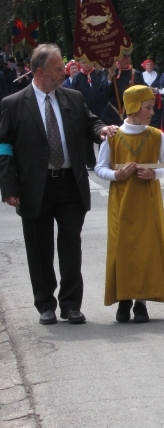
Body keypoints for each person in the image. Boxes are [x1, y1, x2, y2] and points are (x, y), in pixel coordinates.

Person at [0, 43, 117, 325]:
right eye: (57, 69)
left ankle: (71, 304)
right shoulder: (14, 104)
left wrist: (102, 129)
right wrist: (9, 187)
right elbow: (4, 147)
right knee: (39, 249)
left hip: (69, 185)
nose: (63, 73)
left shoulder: (73, 98)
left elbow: (90, 123)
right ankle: (45, 305)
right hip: (34, 187)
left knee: (70, 246)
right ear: (39, 71)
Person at [95, 85, 164, 323]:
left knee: (146, 250)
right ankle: (123, 299)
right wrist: (116, 176)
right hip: (121, 202)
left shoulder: (157, 136)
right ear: (133, 107)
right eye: (147, 107)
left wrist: (154, 174)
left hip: (147, 202)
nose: (152, 112)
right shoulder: (113, 137)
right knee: (123, 249)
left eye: (152, 107)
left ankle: (141, 303)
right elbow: (100, 168)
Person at [71, 58, 111, 171]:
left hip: (100, 110)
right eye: (83, 63)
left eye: (88, 62)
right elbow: (74, 94)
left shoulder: (99, 74)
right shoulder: (77, 78)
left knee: (103, 136)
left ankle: (104, 161)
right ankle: (91, 163)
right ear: (80, 64)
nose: (86, 65)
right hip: (85, 111)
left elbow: (105, 89)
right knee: (87, 138)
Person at [102, 51, 145, 126]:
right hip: (112, 115)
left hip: (132, 114)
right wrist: (109, 78)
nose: (127, 59)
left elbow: (143, 95)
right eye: (124, 57)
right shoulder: (110, 72)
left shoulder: (136, 74)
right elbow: (104, 93)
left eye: (129, 57)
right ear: (117, 58)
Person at [140, 58, 162, 128]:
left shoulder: (158, 75)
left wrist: (155, 89)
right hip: (144, 99)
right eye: (148, 64)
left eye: (151, 64)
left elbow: (161, 87)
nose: (149, 66)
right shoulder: (141, 75)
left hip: (155, 100)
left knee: (155, 117)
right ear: (145, 66)